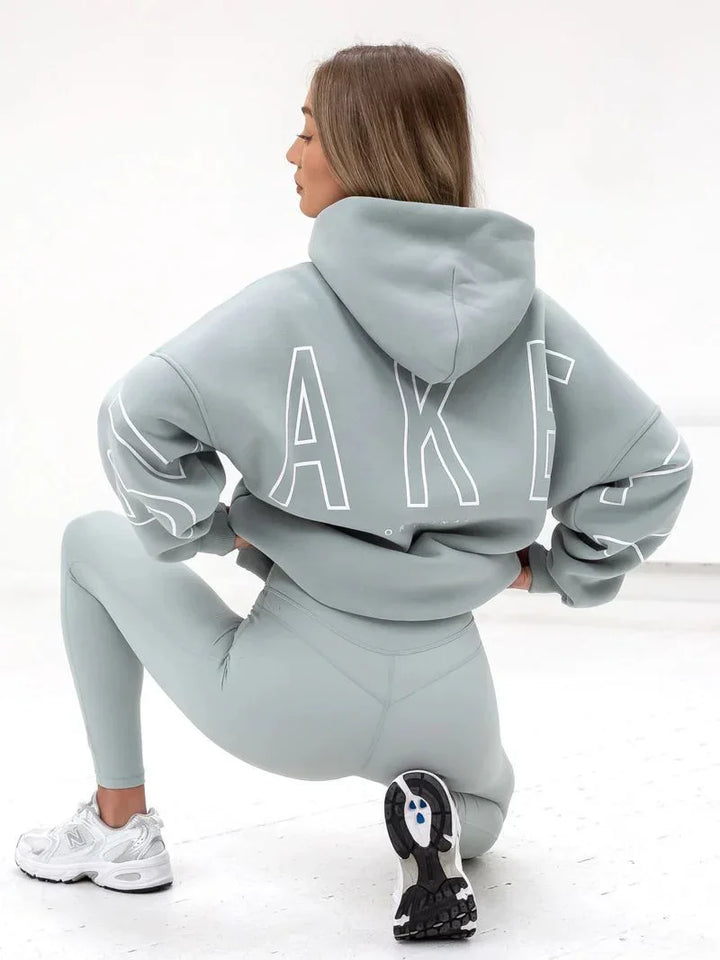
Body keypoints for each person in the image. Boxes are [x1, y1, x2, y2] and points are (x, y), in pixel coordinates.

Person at [14, 42, 693, 942]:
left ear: (359, 145)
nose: (292, 153)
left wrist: (216, 534)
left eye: (306, 131)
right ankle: (432, 817)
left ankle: (118, 827)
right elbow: (658, 466)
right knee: (485, 809)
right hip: (449, 691)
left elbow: (136, 414)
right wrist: (551, 569)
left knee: (87, 542)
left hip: (288, 692)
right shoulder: (534, 324)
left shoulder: (287, 308)